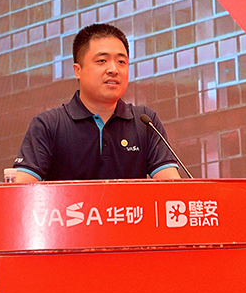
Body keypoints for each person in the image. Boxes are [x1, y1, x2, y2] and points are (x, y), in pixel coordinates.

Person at [11, 23, 182, 182]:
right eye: (102, 61)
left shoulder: (145, 122)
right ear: (77, 71)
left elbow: (173, 189)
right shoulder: (49, 125)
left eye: (121, 62)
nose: (113, 70)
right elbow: (21, 193)